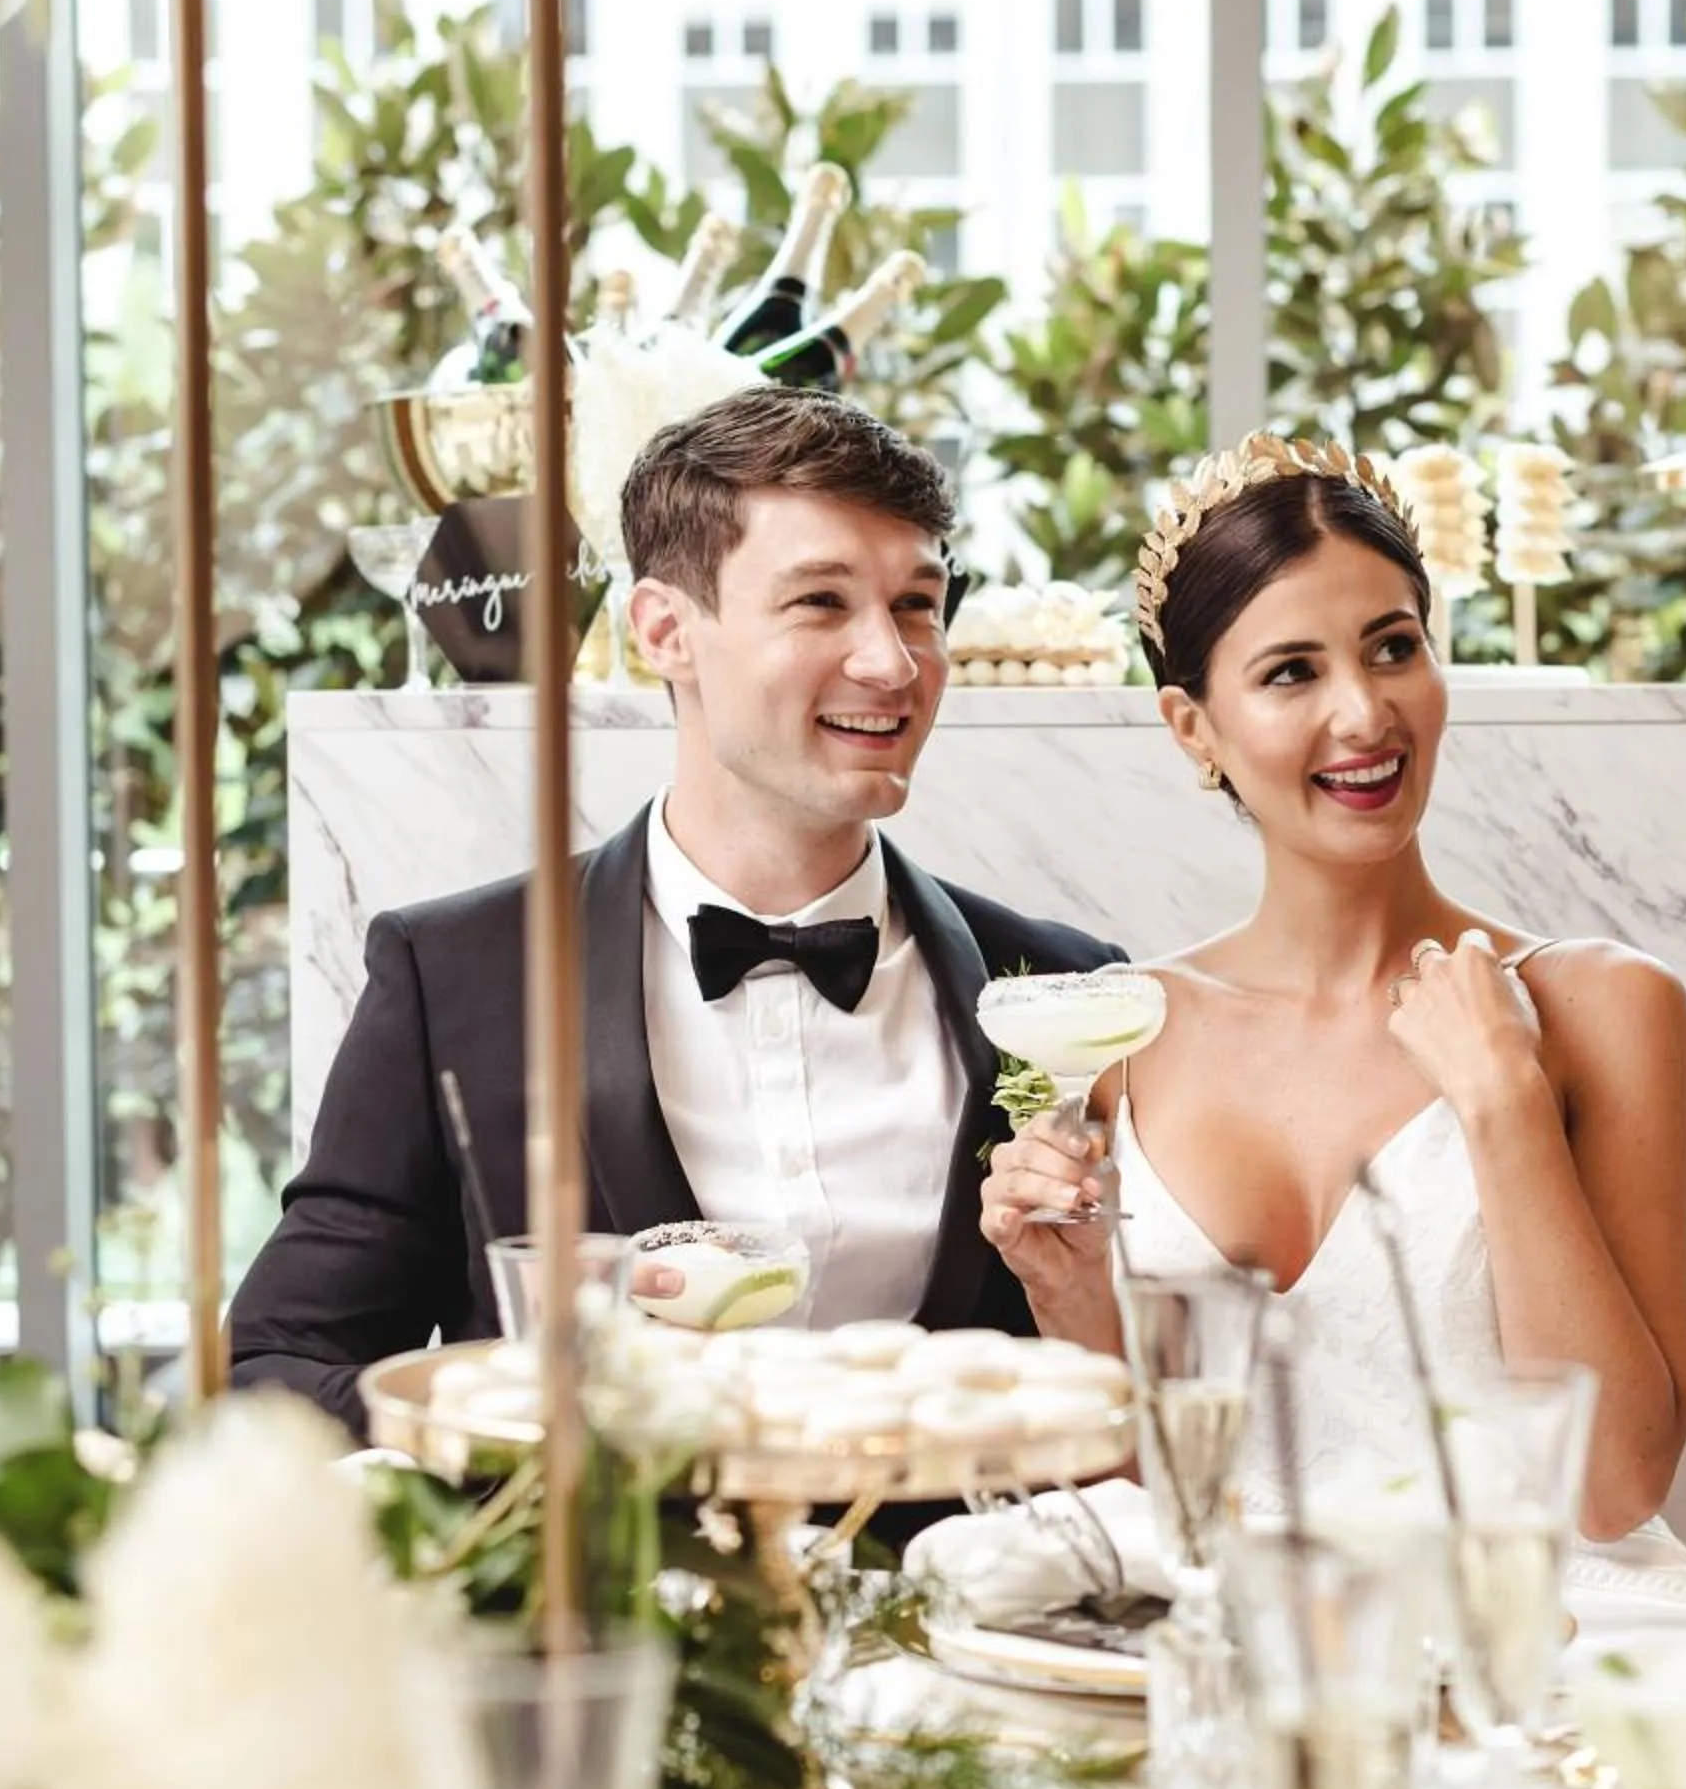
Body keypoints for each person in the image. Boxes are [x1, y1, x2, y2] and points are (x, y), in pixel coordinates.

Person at [978, 433, 1686, 1637]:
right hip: (1237, 1634)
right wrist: (1070, 1298)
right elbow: (1145, 1499)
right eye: (1291, 671)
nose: (1364, 712)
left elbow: (1612, 1487)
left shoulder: (1602, 1004)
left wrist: (1503, 1102)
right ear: (1194, 726)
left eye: (1394, 646)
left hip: (1560, 1628)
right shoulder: (1120, 1029)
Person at [233, 387, 1121, 1434]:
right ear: (666, 630)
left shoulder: (1060, 992)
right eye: (821, 602)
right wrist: (524, 1411)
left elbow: (1145, 1391)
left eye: (918, 604)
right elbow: (273, 1368)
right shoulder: (455, 975)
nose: (892, 662)